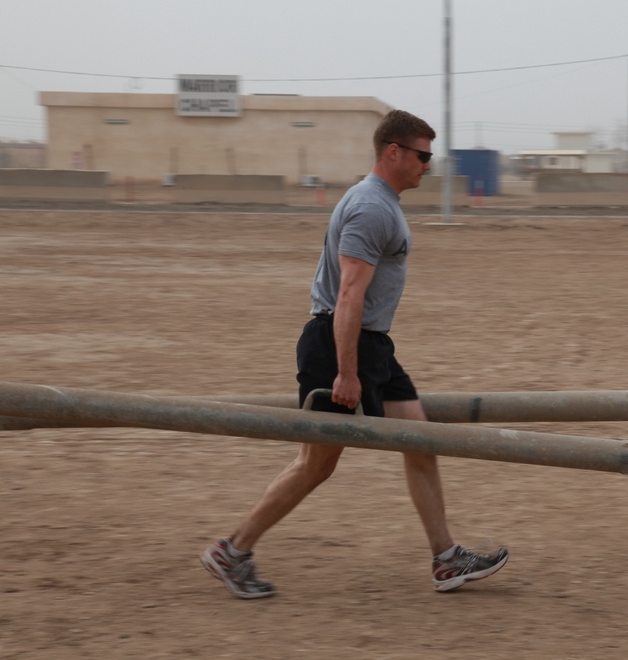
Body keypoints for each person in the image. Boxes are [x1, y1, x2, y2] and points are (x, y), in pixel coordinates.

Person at [200, 109, 508, 599]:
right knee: (316, 464)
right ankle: (232, 551)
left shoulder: (381, 203)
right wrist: (346, 371)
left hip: (371, 346)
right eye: (423, 155)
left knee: (419, 438)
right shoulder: (371, 208)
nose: (429, 165)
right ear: (394, 152)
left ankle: (447, 560)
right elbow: (348, 295)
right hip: (341, 346)